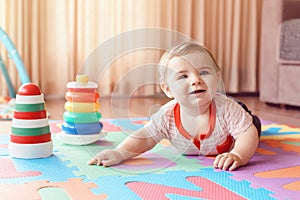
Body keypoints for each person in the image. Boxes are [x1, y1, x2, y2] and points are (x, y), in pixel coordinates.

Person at [88, 42, 261, 171]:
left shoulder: (227, 109)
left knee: (252, 126)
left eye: (204, 72)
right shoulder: (167, 115)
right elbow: (146, 137)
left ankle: (251, 118)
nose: (195, 80)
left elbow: (247, 133)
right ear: (167, 89)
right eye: (183, 76)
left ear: (218, 77)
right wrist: (119, 153)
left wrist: (238, 154)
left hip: (235, 118)